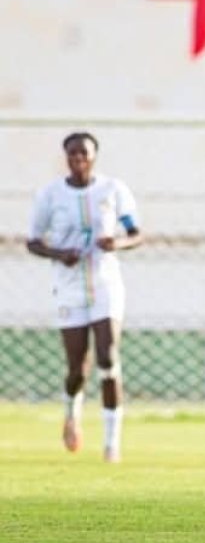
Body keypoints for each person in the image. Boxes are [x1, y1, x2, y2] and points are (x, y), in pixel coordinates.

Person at [26, 132, 142, 462]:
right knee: (78, 367)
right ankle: (72, 413)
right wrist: (58, 253)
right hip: (69, 287)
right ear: (66, 157)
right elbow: (33, 241)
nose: (78, 159)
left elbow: (136, 234)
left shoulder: (112, 190)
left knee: (108, 357)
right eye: (72, 154)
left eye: (84, 154)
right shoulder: (50, 195)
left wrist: (115, 243)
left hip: (105, 283)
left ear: (94, 156)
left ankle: (111, 443)